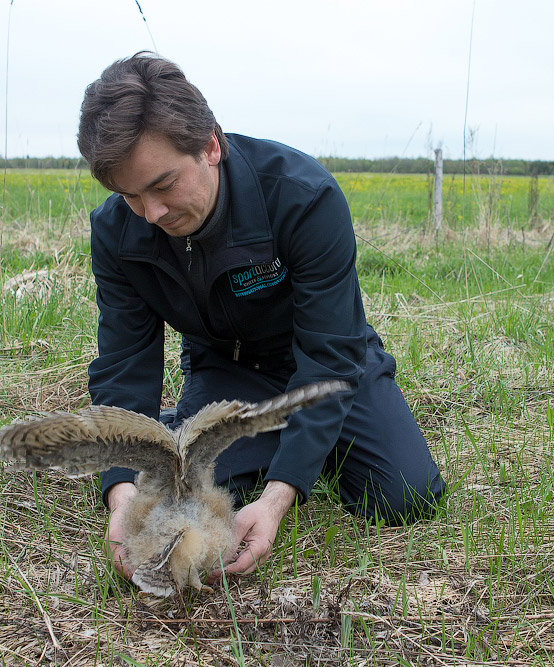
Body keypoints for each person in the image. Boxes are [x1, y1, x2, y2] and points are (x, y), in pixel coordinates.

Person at [76, 52, 445, 584]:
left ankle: (296, 446)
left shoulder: (303, 199)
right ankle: (242, 438)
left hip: (327, 364)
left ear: (210, 146)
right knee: (186, 499)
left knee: (405, 496)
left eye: (163, 185)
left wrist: (277, 498)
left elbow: (329, 355)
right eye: (130, 196)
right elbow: (124, 363)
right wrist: (121, 491)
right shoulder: (117, 231)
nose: (151, 214)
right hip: (227, 374)